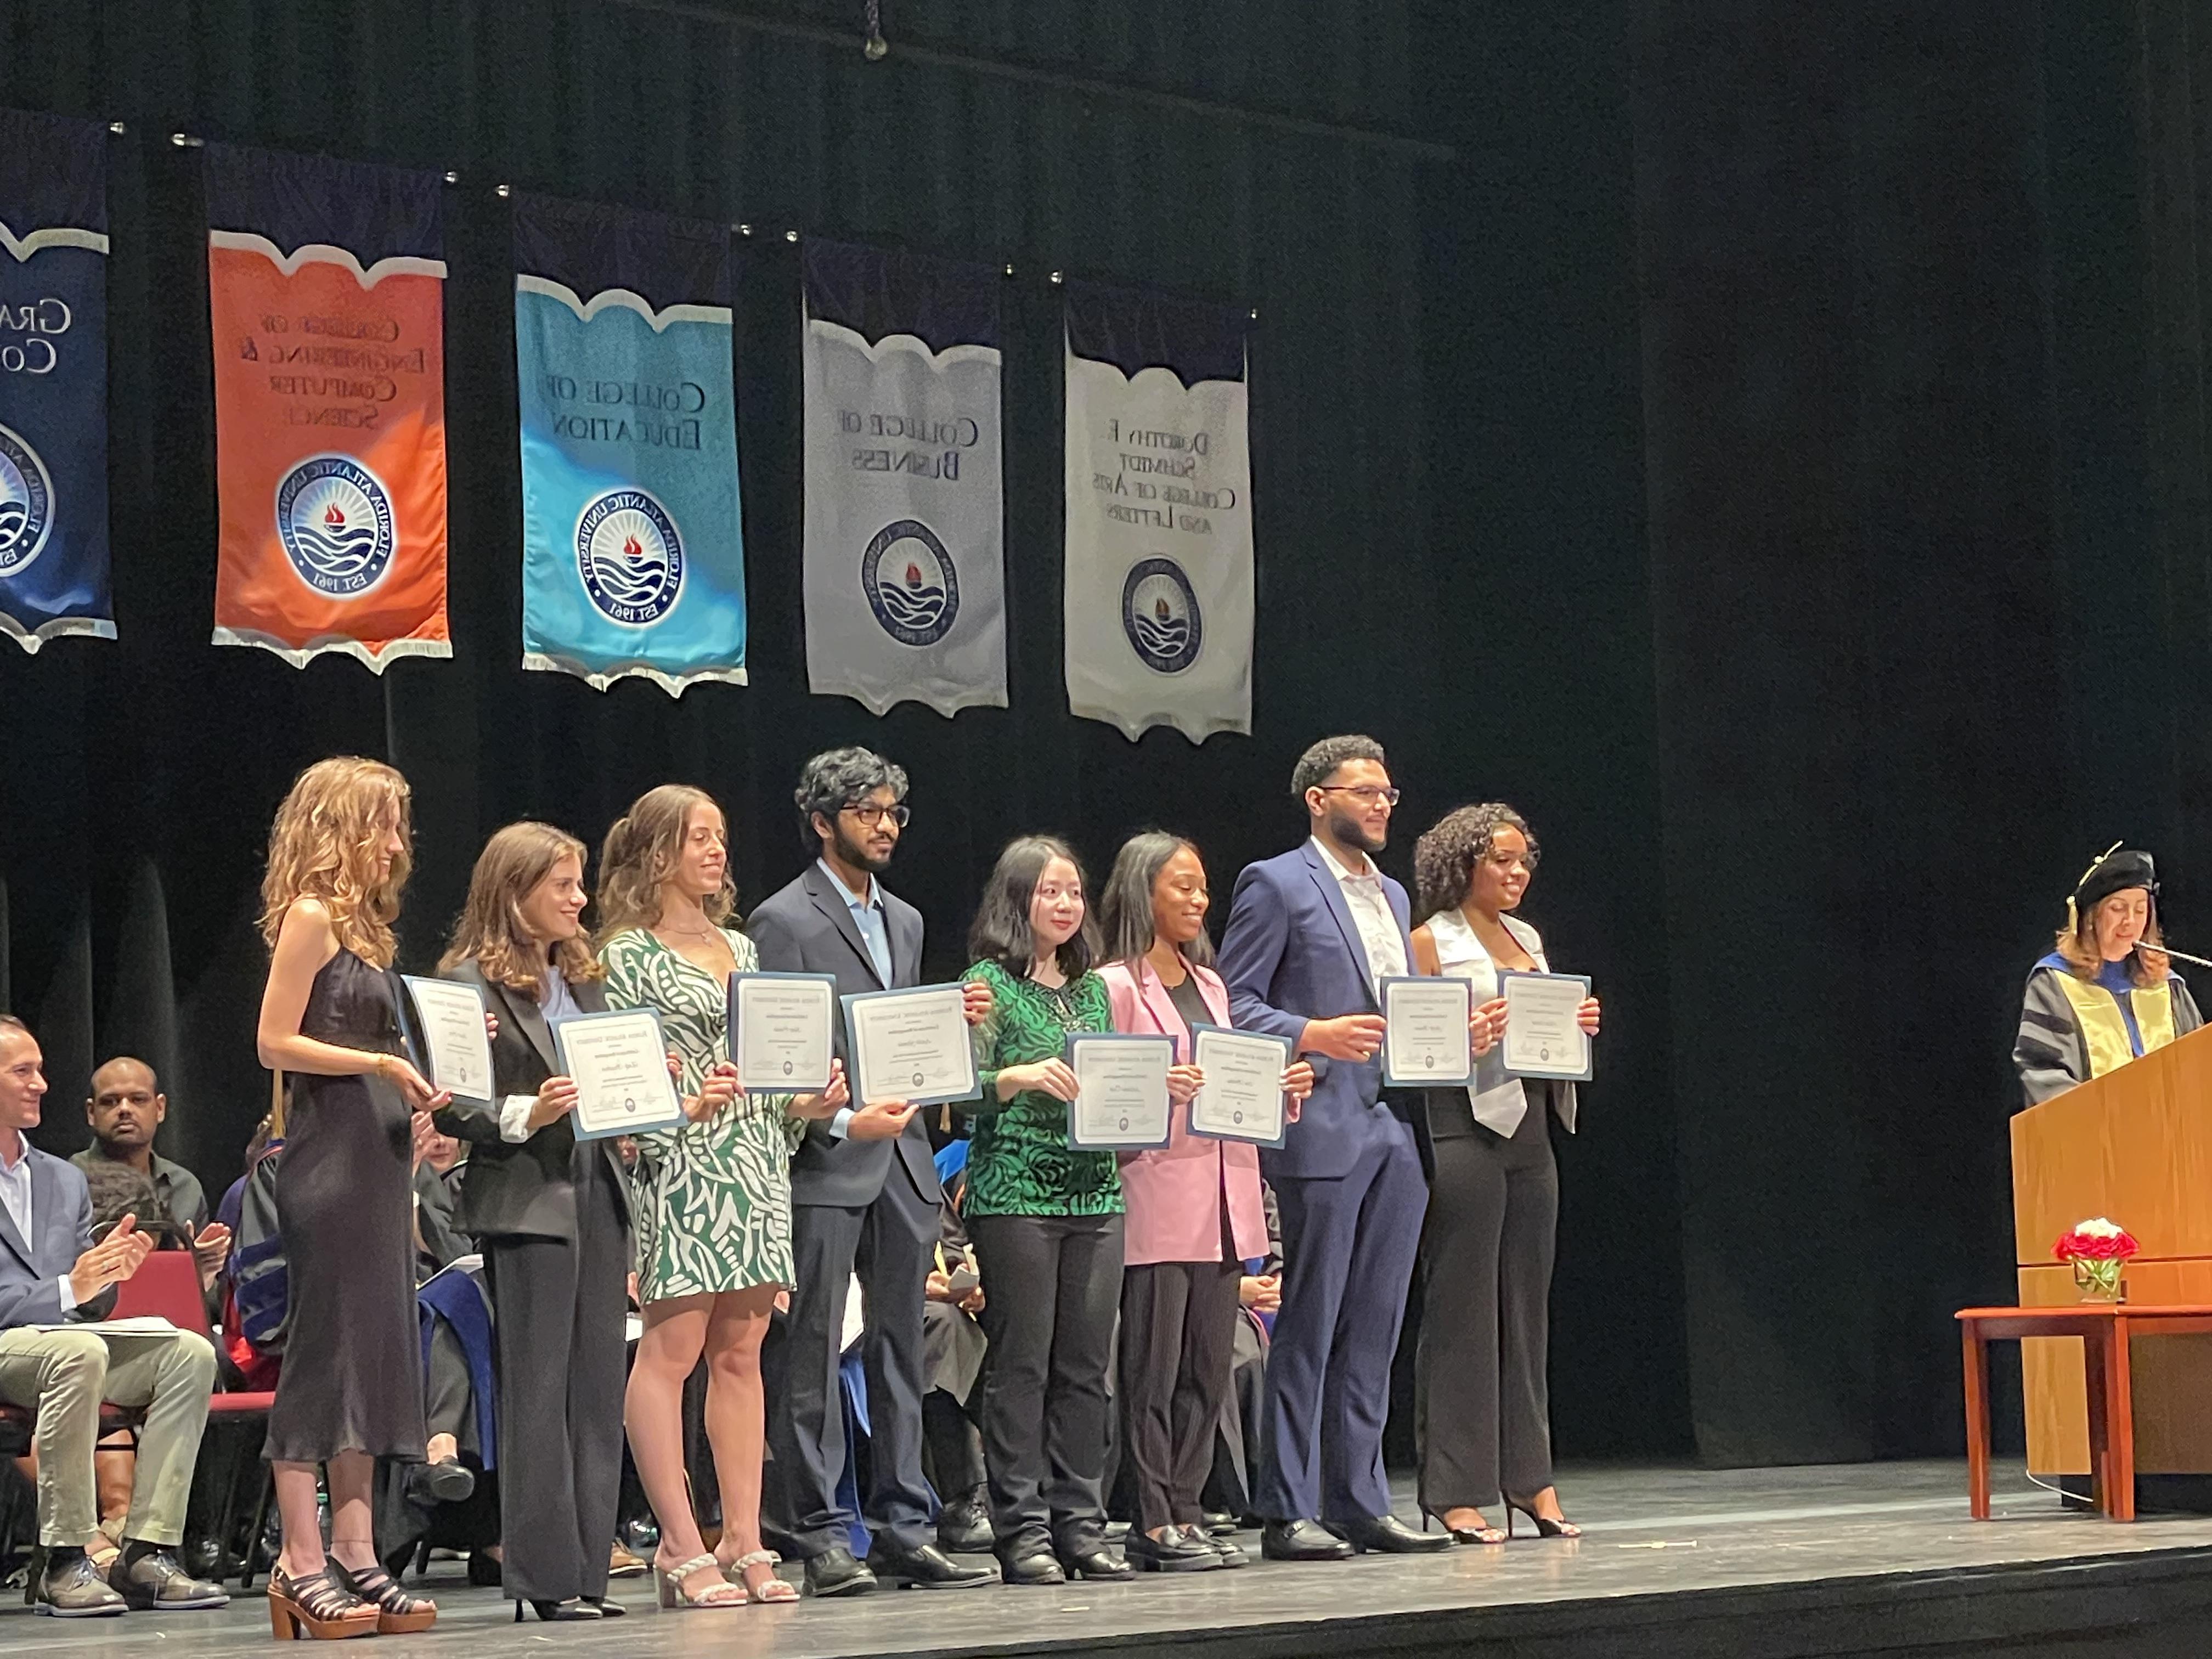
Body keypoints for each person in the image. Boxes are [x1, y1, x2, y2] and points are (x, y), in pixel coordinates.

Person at [1216, 735, 1495, 1561]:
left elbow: (1400, 1010)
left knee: (1375, 1322)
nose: (1380, 805)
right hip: (1322, 1125)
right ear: (1317, 798)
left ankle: (1359, 1497)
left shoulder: (1395, 896)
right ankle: (1289, 1505)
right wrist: (1313, 1032)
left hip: (1394, 1123)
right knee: (1311, 1318)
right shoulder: (1276, 883)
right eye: (1364, 792)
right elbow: (1232, 1003)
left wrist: (1455, 1032)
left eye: (1387, 794)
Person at [746, 748, 996, 1594]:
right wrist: (840, 1118)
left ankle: (903, 1523)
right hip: (830, 1154)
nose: (886, 826)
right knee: (814, 1348)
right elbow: (784, 1051)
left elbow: (907, 1039)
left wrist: (952, 1022)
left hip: (903, 1154)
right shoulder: (783, 918)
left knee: (902, 1351)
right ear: (823, 822)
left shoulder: (910, 920)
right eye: (867, 813)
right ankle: (816, 1530)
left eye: (894, 812)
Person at [599, 785, 848, 1609]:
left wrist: (807, 1106)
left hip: (751, 1162)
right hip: (680, 1164)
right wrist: (679, 1112)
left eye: (721, 836)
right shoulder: (626, 956)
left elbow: (764, 1067)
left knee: (741, 1353)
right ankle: (678, 1540)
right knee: (671, 1352)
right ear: (658, 853)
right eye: (698, 837)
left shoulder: (743, 949)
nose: (716, 851)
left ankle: (743, 1534)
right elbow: (624, 1083)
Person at [255, 755, 443, 1638]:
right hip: (329, 1164)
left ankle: (358, 1551)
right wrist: (375, 1062)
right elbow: (272, 1041)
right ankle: (298, 1560)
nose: (397, 844)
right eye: (383, 824)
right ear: (338, 828)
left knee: (373, 1356)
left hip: (379, 1160)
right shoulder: (312, 916)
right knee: (326, 1356)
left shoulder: (371, 933)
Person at [1096, 832, 1315, 1572]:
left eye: (1202, 888)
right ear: (1142, 891)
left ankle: (1188, 1512)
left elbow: (1232, 1092)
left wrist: (1280, 1094)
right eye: (1182, 886)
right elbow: (1105, 1103)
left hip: (1226, 1199)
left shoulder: (1214, 985)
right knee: (1152, 1370)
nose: (1198, 899)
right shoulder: (1115, 986)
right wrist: (1154, 1096)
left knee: (1206, 1369)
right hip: (1157, 1196)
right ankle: (1152, 1519)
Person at [437, 821, 634, 1621]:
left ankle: (588, 1571)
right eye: (563, 885)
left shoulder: (587, 981)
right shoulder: (465, 983)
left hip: (596, 1187)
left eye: (579, 884)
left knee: (595, 1388)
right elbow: (451, 1104)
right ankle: (543, 1578)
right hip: (528, 1199)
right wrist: (527, 1111)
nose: (579, 899)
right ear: (514, 894)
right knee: (540, 1390)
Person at [1409, 803, 1600, 1543]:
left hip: (1530, 1130)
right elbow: (1414, 1045)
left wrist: (1577, 1028)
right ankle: (1454, 1490)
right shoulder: (1431, 940)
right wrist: (1462, 1034)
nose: (1517, 873)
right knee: (1462, 1312)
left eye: (1525, 861)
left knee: (1526, 1310)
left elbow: (1542, 1027)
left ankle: (1531, 1479)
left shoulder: (1529, 939)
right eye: (1502, 860)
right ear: (1464, 864)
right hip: (1463, 1126)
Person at [0, 1016, 227, 1616]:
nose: (41, 1085)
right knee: (79, 1352)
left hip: (65, 1345)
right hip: (16, 1348)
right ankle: (66, 1556)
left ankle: (147, 1550)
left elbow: (84, 1302)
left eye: (41, 1071)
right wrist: (69, 1286)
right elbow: (56, 1293)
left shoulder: (62, 1178)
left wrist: (106, 1277)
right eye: (23, 1072)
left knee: (189, 1353)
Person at [960, 836, 1132, 1587]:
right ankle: (1022, 1530)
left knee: (1087, 1369)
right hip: (1016, 1192)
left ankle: (1081, 1524)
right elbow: (958, 1087)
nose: (1065, 905)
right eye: (1049, 892)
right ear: (1018, 899)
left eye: (1073, 892)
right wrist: (1015, 1076)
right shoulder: (987, 985)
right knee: (1022, 1366)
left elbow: (1113, 1080)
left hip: (1095, 1190)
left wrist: (1154, 1094)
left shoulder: (1095, 989)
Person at [2015, 845, 2202, 1106]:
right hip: (2093, 1139)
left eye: (2139, 910)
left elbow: (2201, 1070)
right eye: (2118, 908)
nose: (2130, 921)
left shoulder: (2167, 986)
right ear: (2092, 917)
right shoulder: (2056, 984)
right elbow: (2045, 1075)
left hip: (2173, 1140)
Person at [75, 1059, 229, 1287]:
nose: (125, 1109)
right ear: (91, 1112)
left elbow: (202, 1301)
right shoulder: (67, 1181)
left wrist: (201, 1273)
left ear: (160, 1108)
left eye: (138, 1099)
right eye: (110, 1102)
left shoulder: (184, 1186)